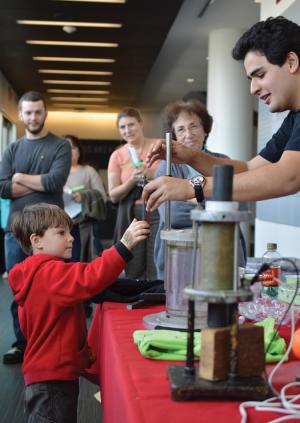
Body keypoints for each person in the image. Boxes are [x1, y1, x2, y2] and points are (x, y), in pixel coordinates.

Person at [143, 17, 300, 215]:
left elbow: (289, 177)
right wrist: (191, 156)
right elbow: (249, 169)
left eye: (260, 75)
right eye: (250, 79)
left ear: (291, 62)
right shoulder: (294, 118)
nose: (253, 89)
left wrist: (193, 186)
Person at [8, 203, 150, 423]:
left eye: (69, 232)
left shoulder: (33, 274)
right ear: (37, 241)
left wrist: (79, 352)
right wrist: (124, 245)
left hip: (45, 374)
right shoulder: (50, 272)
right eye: (61, 233)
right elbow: (91, 276)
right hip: (53, 379)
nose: (71, 238)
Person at [0, 90, 71, 364]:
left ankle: (54, 344)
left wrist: (19, 177)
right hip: (16, 231)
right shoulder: (12, 149)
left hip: (52, 231)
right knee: (20, 290)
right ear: (20, 115)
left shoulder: (60, 145)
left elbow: (54, 182)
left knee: (54, 289)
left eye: (37, 112)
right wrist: (34, 182)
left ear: (45, 113)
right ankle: (22, 344)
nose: (33, 117)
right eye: (28, 112)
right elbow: (3, 188)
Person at [154, 99, 236, 279]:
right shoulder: (167, 167)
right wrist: (214, 202)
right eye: (181, 129)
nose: (188, 134)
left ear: (205, 129)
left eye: (194, 126)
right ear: (173, 135)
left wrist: (190, 198)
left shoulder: (223, 161)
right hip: (178, 257)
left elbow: (237, 207)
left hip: (220, 253)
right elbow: (173, 214)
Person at [108, 107, 160, 280]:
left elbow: (172, 178)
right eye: (122, 127)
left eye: (131, 124)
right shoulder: (118, 155)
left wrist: (151, 175)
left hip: (157, 208)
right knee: (134, 264)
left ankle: (155, 303)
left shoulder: (158, 147)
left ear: (141, 123)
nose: (127, 130)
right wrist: (132, 180)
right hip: (132, 213)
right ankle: (135, 303)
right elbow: (113, 195)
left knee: (156, 261)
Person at [64, 134, 107, 262]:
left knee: (80, 260)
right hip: (59, 224)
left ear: (79, 150)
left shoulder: (89, 171)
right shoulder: (55, 172)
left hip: (84, 224)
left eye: (71, 147)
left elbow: (102, 197)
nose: (68, 151)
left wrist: (84, 196)